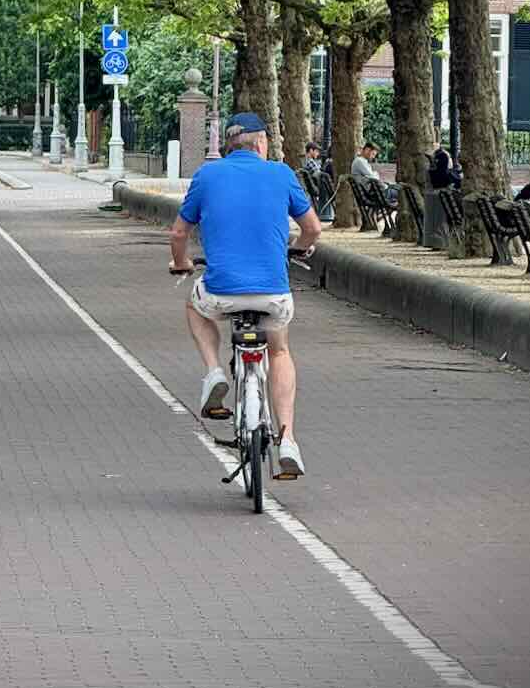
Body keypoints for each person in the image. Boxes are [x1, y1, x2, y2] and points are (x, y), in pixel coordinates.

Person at [168, 112, 320, 477]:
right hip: (273, 296)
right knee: (279, 350)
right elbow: (313, 228)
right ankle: (288, 439)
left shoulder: (207, 176)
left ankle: (213, 372)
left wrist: (182, 263)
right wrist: (300, 248)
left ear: (229, 145)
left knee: (194, 305)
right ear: (262, 143)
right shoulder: (281, 174)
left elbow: (178, 233)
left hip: (221, 293)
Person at [351, 141, 399, 206]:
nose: (373, 157)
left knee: (398, 188)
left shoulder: (362, 162)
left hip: (377, 193)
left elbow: (372, 176)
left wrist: (375, 174)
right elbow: (374, 178)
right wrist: (375, 174)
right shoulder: (360, 161)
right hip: (378, 194)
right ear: (367, 150)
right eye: (373, 154)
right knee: (403, 193)